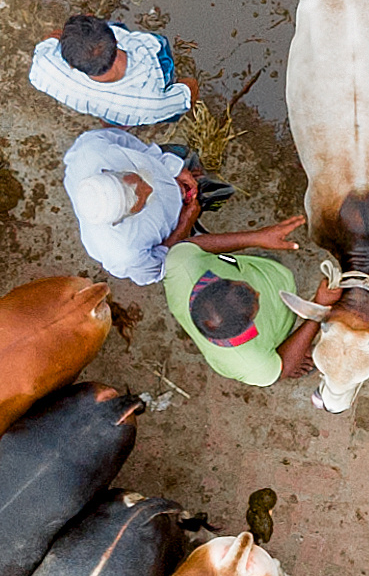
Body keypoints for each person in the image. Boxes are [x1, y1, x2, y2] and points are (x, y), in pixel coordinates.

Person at [61, 129, 299, 290]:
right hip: (178, 225)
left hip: (178, 180)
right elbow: (164, 263)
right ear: (120, 220)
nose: (148, 188)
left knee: (202, 173)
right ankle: (225, 244)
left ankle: (210, 194)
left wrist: (172, 169)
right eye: (143, 202)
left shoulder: (89, 151)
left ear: (109, 171)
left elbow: (128, 143)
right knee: (201, 251)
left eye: (138, 178)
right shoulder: (124, 254)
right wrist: (185, 223)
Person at [159, 238, 311, 387]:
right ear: (245, 328)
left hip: (261, 271)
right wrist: (317, 314)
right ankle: (284, 351)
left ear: (216, 284)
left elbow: (190, 245)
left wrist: (257, 238)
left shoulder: (183, 265)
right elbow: (278, 373)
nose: (257, 293)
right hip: (276, 327)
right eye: (255, 306)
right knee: (283, 365)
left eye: (243, 285)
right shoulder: (251, 363)